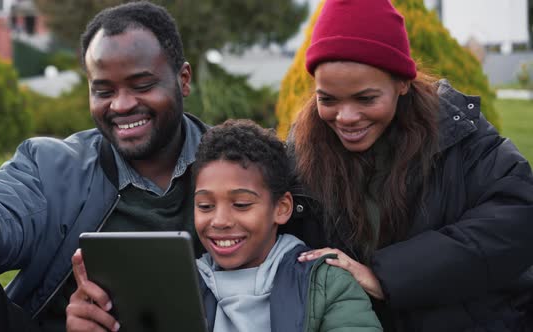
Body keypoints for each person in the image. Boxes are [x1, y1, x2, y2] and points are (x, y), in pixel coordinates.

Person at [0, 2, 208, 331]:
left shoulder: (244, 168)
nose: (121, 105)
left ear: (183, 80)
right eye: (103, 90)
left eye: (142, 85)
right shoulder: (51, 167)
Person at [289, 0, 533, 331]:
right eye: (327, 99)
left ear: (402, 83)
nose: (345, 118)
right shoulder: (300, 157)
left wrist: (386, 276)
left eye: (366, 99)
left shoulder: (460, 137)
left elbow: (518, 216)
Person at [66, 119, 382, 332]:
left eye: (241, 204)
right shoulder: (171, 287)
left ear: (281, 208)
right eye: (205, 205)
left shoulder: (326, 285)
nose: (219, 221)